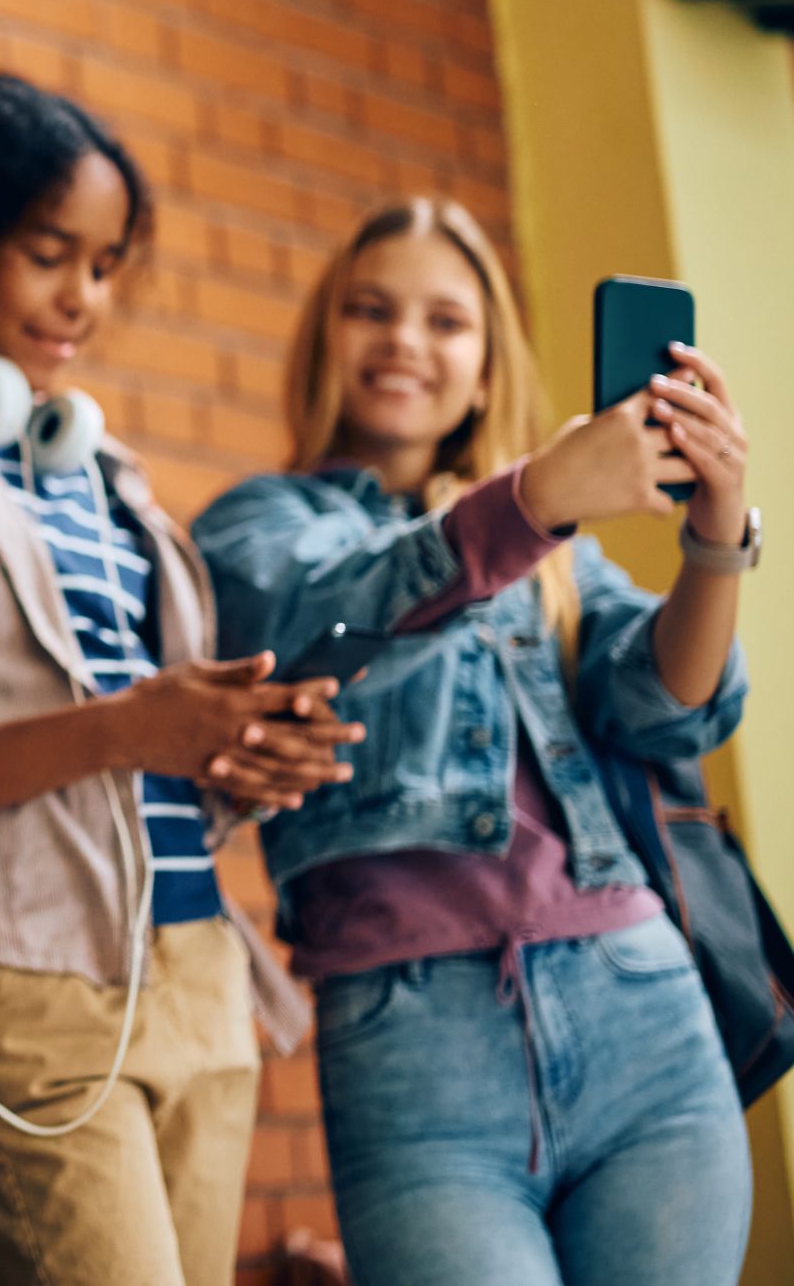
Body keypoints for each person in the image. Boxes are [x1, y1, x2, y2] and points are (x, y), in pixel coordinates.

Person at [0, 74, 350, 1286]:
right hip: (12, 987)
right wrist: (121, 731)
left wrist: (239, 754)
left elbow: (148, 750)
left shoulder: (108, 473)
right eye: (52, 254)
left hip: (198, 978)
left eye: (107, 265)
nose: (83, 299)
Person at [194, 198, 755, 1286]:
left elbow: (667, 708)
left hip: (640, 1010)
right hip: (414, 1049)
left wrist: (716, 540)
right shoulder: (255, 524)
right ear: (326, 340)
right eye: (371, 310)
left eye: (445, 322)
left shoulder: (553, 551)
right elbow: (321, 633)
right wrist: (534, 497)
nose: (405, 341)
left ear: (487, 365)